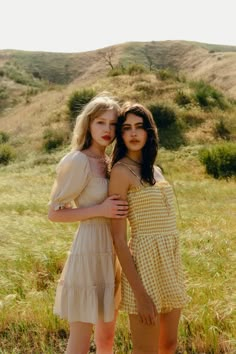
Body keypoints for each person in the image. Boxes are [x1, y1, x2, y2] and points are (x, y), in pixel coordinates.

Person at [48, 93, 128, 354]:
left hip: (113, 251)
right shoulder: (77, 160)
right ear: (88, 125)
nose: (107, 130)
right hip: (88, 249)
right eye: (100, 122)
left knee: (107, 338)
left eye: (113, 124)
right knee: (80, 340)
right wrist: (100, 209)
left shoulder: (110, 163)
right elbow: (55, 213)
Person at [109, 102, 189, 353]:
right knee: (147, 350)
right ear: (121, 135)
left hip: (169, 262)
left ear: (149, 131)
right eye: (127, 128)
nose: (133, 133)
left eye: (139, 127)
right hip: (143, 266)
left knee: (169, 345)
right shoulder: (120, 172)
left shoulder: (156, 170)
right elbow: (119, 240)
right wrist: (141, 295)